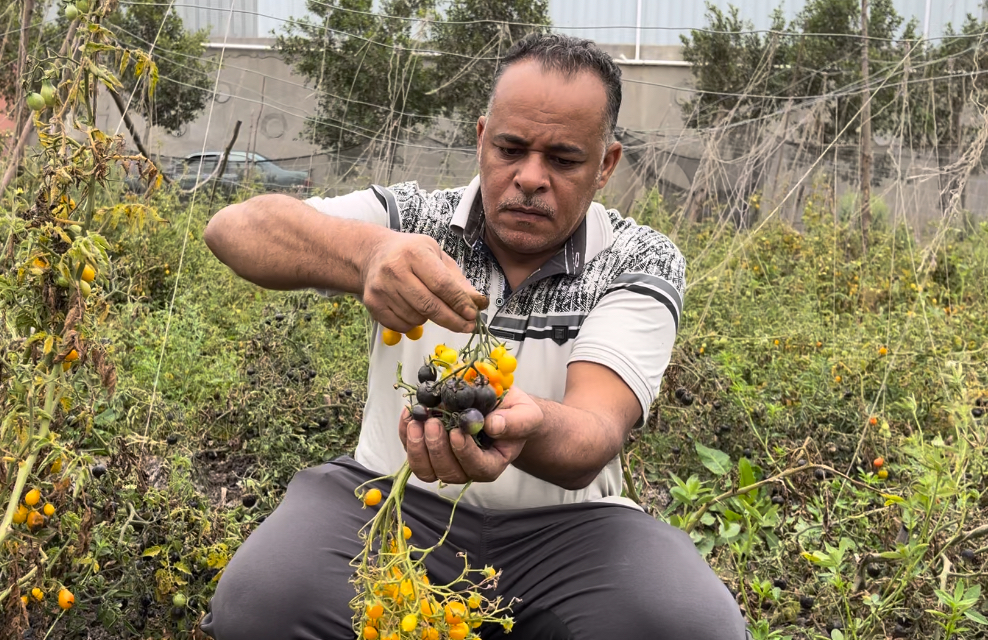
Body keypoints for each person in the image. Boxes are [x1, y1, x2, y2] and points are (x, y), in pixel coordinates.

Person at [199, 32, 746, 640]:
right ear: (482, 138)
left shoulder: (636, 259)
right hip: (391, 498)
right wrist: (367, 254)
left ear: (606, 165)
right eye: (511, 148)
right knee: (263, 600)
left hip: (570, 533)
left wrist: (520, 423)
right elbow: (235, 228)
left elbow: (592, 434)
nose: (531, 178)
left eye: (564, 160)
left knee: (688, 624)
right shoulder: (414, 223)